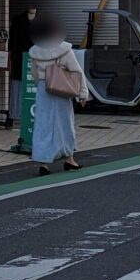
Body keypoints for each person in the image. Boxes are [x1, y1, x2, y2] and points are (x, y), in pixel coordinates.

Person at [26, 14, 90, 175]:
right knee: (65, 125)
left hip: (43, 89)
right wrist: (82, 94)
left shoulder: (35, 51)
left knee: (43, 125)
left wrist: (42, 84)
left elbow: (34, 74)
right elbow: (77, 72)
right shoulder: (64, 50)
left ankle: (44, 163)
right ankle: (69, 159)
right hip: (62, 89)